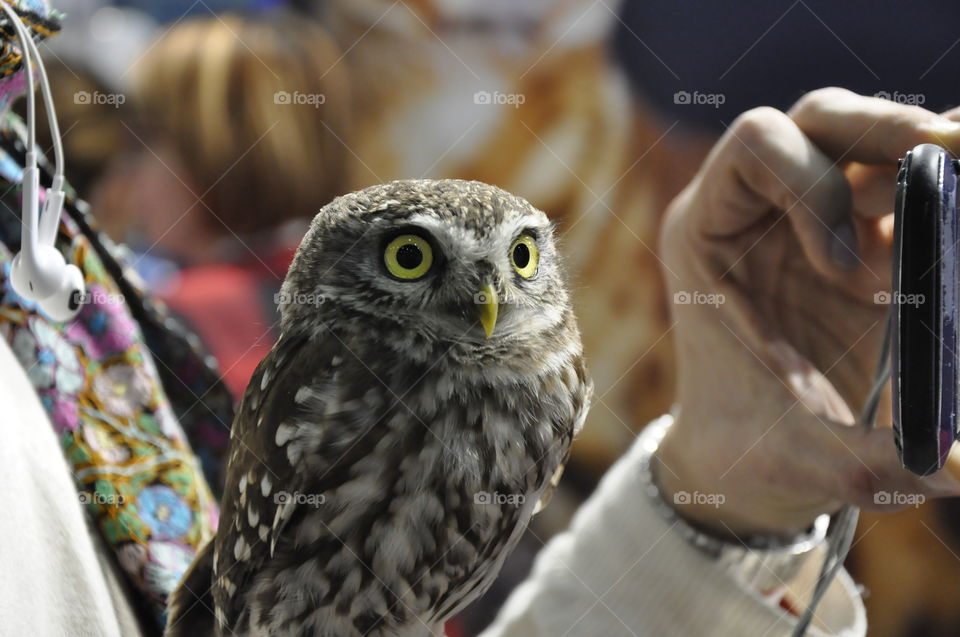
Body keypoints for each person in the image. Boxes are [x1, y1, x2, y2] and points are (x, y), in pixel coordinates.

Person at [7, 86, 960, 636]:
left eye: (516, 264)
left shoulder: (39, 217)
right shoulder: (332, 371)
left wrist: (719, 502)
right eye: (412, 261)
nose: (484, 301)